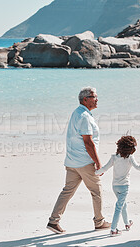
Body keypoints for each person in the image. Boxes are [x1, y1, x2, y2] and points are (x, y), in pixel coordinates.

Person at [47, 86, 110, 234]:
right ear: (85, 99)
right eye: (94, 97)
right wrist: (98, 162)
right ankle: (99, 222)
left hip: (72, 162)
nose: (97, 99)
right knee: (97, 191)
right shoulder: (85, 117)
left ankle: (53, 221)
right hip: (84, 162)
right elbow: (88, 142)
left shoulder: (78, 113)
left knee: (67, 191)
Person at [95, 136, 140, 237]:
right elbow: (138, 167)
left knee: (123, 205)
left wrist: (96, 173)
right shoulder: (130, 158)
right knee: (119, 207)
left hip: (115, 186)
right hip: (124, 186)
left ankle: (127, 224)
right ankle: (113, 229)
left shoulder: (114, 157)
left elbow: (104, 168)